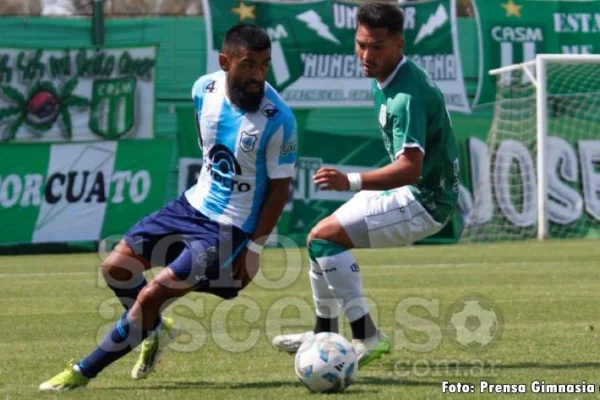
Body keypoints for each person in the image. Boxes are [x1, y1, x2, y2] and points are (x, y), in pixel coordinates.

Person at [39, 23, 297, 391]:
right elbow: (208, 150)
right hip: (190, 206)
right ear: (225, 62)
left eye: (265, 66)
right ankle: (156, 330)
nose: (258, 75)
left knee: (152, 295)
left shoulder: (279, 120)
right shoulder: (202, 91)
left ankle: (82, 372)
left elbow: (279, 191)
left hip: (229, 226)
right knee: (117, 269)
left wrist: (254, 247)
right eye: (248, 65)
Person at [272, 1, 459, 367]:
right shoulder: (389, 78)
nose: (366, 54)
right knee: (317, 239)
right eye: (361, 44)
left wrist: (351, 181)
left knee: (326, 238)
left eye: (377, 47)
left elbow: (410, 168)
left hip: (427, 201)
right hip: (414, 191)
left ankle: (367, 336)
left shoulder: (405, 95)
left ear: (399, 45)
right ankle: (323, 333)